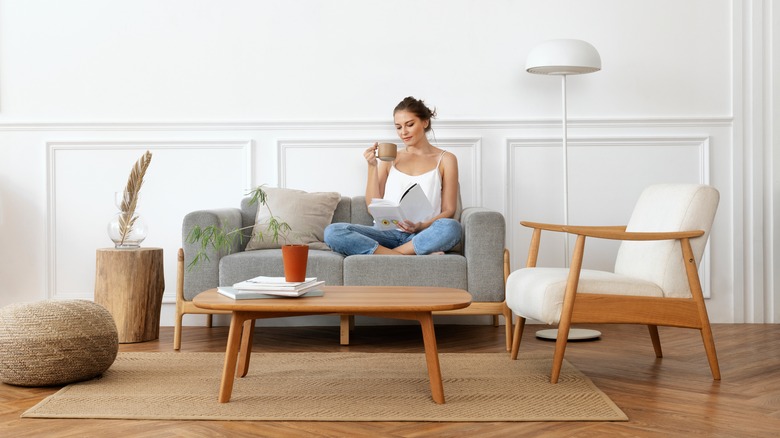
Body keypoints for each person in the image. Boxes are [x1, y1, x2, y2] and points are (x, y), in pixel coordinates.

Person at [324, 96, 461, 255]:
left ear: (425, 122)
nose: (403, 132)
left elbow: (449, 210)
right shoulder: (391, 157)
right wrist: (372, 166)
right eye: (398, 127)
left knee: (452, 227)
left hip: (421, 234)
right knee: (333, 231)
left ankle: (386, 255)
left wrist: (420, 226)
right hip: (385, 233)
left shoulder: (446, 159)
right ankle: (407, 256)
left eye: (410, 125)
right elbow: (372, 205)